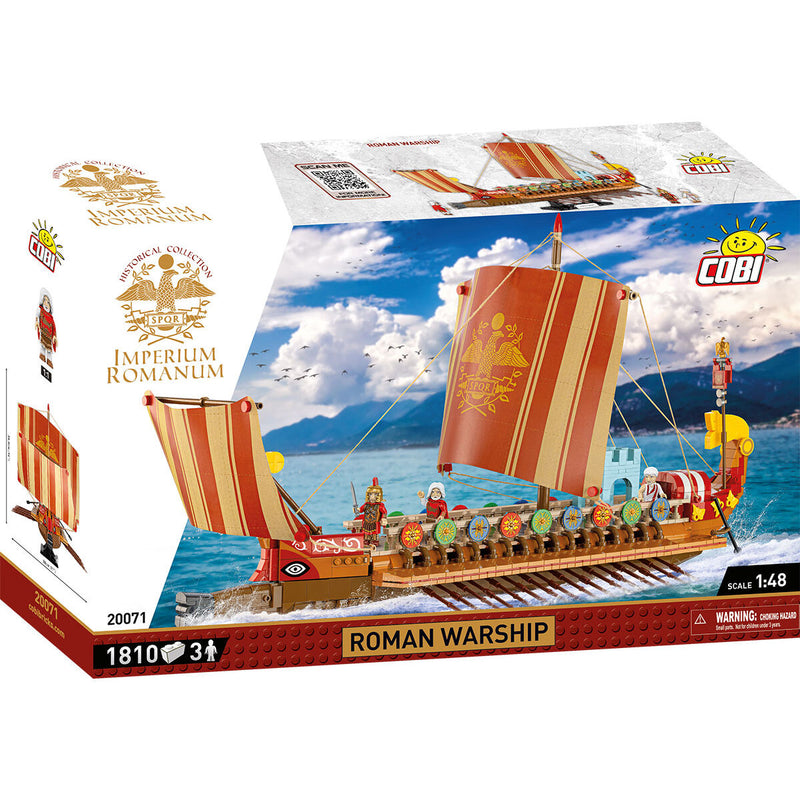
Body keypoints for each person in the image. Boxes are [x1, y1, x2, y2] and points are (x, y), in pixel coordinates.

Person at [355, 477, 387, 549]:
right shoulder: (366, 505)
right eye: (370, 494)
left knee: (374, 533)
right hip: (366, 522)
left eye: (375, 494)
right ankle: (366, 540)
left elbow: (384, 512)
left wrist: (384, 518)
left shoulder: (380, 506)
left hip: (375, 522)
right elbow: (361, 510)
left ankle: (374, 541)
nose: (372, 497)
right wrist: (357, 509)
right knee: (366, 532)